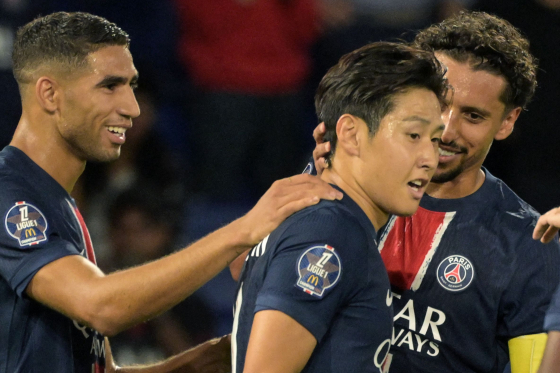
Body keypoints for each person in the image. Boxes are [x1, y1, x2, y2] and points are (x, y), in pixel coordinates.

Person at [0, 11, 342, 373]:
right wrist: (245, 230)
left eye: (131, 86)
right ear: (50, 94)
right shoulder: (11, 194)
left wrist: (211, 359)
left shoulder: (57, 203)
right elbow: (100, 307)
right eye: (109, 86)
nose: (131, 108)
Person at [311, 11, 560, 373]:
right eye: (440, 104)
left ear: (507, 122)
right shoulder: (345, 177)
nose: (445, 130)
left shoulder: (532, 245)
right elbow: (257, 279)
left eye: (472, 116)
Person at [232, 41, 447, 373]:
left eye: (435, 140)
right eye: (414, 135)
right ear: (350, 134)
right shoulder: (330, 231)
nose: (430, 159)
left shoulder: (319, 218)